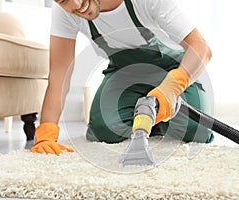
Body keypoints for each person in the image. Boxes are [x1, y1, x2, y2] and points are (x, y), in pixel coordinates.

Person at [30, 0, 214, 155]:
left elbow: (201, 48)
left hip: (171, 70)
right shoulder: (64, 13)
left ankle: (154, 120)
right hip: (122, 73)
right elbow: (59, 76)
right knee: (104, 130)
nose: (78, 4)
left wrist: (171, 89)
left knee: (193, 130)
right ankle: (146, 117)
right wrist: (47, 130)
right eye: (63, 0)